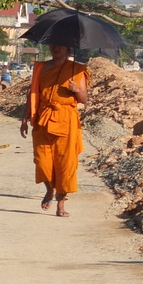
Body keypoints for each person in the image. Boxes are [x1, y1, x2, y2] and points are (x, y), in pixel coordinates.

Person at [19, 44, 89, 217]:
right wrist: (25, 117)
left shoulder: (77, 70)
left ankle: (61, 205)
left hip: (66, 120)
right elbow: (33, 93)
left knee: (65, 165)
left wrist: (77, 90)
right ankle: (50, 189)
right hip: (43, 118)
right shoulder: (41, 68)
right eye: (53, 45)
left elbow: (84, 99)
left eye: (60, 45)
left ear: (68, 49)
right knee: (42, 163)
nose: (56, 48)